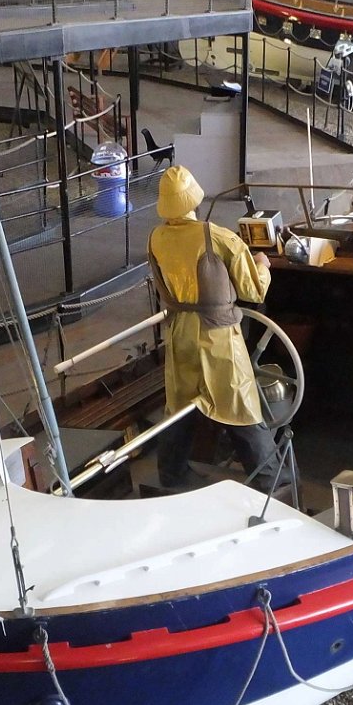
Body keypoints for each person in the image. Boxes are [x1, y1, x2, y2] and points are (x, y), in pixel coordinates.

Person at [147, 165, 280, 492]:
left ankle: (172, 478)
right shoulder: (219, 237)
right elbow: (253, 291)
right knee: (240, 405)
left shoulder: (156, 238)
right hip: (217, 336)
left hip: (179, 333)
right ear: (194, 196)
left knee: (180, 407)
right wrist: (262, 265)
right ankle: (273, 484)